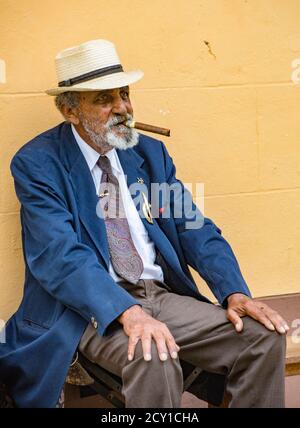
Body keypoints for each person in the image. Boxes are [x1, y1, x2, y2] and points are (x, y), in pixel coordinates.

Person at [0, 39, 288, 408]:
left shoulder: (148, 154)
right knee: (154, 355)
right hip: (86, 308)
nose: (122, 108)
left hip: (160, 295)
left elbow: (193, 227)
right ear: (70, 111)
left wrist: (234, 292)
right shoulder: (38, 163)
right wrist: (127, 311)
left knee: (262, 337)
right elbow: (59, 255)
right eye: (105, 99)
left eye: (125, 93)